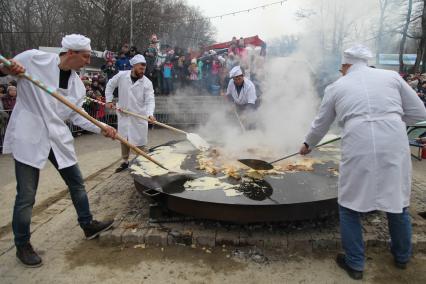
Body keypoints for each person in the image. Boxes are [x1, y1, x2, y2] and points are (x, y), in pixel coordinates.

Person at [298, 44, 426, 280]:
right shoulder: (391, 77)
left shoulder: (337, 86)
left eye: (341, 67)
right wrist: (390, 118)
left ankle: (355, 264)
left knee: (349, 205)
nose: (340, 71)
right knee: (397, 202)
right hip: (393, 140)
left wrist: (308, 144)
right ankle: (402, 257)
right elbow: (420, 113)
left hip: (359, 142)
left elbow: (321, 123)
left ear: (347, 65)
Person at [0, 34, 118, 268]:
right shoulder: (33, 59)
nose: (87, 61)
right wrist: (7, 69)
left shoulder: (76, 84)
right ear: (71, 53)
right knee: (26, 195)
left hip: (57, 136)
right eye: (85, 56)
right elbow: (3, 71)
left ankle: (87, 224)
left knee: (76, 182)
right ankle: (22, 244)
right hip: (31, 134)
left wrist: (101, 127)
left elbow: (75, 114)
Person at [105, 54, 156, 172]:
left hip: (139, 116)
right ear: (133, 66)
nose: (142, 71)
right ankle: (125, 162)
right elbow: (110, 85)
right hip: (124, 114)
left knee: (140, 142)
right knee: (124, 139)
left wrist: (149, 114)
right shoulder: (122, 76)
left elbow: (150, 100)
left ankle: (142, 163)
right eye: (140, 68)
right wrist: (108, 100)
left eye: (144, 69)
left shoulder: (147, 82)